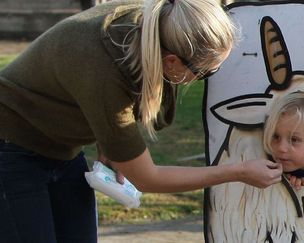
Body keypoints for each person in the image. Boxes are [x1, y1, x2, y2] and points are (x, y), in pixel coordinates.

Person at [0, 0, 283, 242]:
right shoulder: (106, 70)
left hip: (61, 149)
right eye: (205, 73)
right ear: (171, 62)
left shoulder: (159, 23)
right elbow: (147, 178)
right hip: (11, 147)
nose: (205, 78)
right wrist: (238, 171)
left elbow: (74, 78)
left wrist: (106, 137)